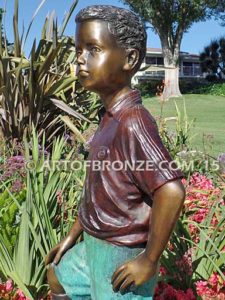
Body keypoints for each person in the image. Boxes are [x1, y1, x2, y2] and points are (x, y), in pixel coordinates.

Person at [45, 5, 185, 300]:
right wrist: (72, 236)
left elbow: (171, 190)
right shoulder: (108, 118)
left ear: (130, 59)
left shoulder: (133, 122)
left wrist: (148, 260)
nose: (80, 59)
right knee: (57, 277)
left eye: (93, 49)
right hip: (93, 246)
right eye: (78, 49)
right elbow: (101, 189)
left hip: (120, 255)